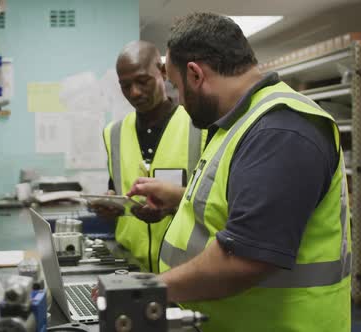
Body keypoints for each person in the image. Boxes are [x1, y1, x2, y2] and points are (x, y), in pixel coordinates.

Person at [127, 13, 351, 332]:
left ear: (195, 75)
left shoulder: (280, 130)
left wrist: (147, 291)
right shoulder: (237, 121)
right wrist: (179, 198)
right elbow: (243, 204)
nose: (179, 101)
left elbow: (245, 259)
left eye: (175, 88)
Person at [94, 40, 203, 273]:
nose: (134, 92)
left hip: (187, 268)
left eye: (143, 81)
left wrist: (172, 205)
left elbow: (214, 200)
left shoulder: (199, 126)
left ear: (163, 73)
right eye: (125, 85)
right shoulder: (113, 133)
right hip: (130, 268)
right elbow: (117, 188)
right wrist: (111, 204)